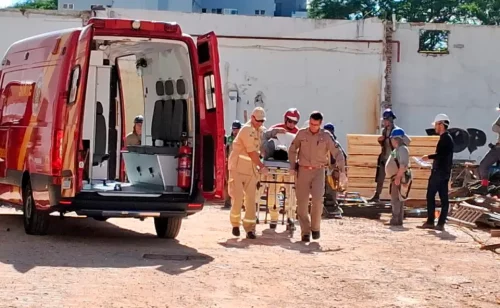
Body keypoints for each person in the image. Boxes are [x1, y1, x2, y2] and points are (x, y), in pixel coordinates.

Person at [288, 111, 347, 242]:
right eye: (311, 123)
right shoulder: (302, 134)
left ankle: (315, 228)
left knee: (317, 201)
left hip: (318, 172)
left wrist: (342, 171)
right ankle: (305, 232)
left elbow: (337, 152)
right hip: (303, 171)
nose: (312, 126)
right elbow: (292, 149)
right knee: (302, 203)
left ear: (320, 124)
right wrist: (292, 166)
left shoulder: (326, 136)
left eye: (315, 124)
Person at [228, 107, 270, 239]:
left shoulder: (261, 131)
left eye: (262, 121)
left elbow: (264, 144)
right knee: (238, 197)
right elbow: (252, 152)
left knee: (251, 199)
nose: (260, 123)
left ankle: (250, 229)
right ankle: (235, 224)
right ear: (252, 118)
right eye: (258, 121)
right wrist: (262, 166)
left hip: (251, 169)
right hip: (238, 168)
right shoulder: (246, 130)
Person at [420, 114, 454, 231]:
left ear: (441, 124)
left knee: (431, 196)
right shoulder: (447, 138)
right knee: (443, 198)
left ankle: (431, 221)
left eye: (436, 124)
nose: (435, 127)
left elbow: (441, 155)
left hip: (439, 173)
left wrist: (428, 157)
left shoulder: (445, 139)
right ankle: (440, 223)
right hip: (443, 172)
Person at [369, 109, 397, 202]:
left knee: (393, 179)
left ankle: (394, 197)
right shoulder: (384, 131)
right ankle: (377, 195)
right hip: (384, 157)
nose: (384, 122)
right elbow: (384, 144)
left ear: (390, 120)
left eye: (385, 120)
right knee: (380, 176)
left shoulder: (396, 131)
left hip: (393, 159)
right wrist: (381, 140)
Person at [385, 128, 411, 226]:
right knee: (397, 198)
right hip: (396, 176)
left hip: (398, 177)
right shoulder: (398, 149)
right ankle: (398, 219)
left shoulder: (402, 149)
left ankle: (395, 219)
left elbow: (403, 165)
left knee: (396, 199)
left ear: (395, 139)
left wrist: (398, 177)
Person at [323, 123, 347, 218]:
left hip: (333, 169)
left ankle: (331, 206)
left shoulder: (335, 144)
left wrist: (340, 170)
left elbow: (342, 157)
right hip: (322, 168)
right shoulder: (320, 143)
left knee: (331, 188)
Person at [478, 106, 500, 194]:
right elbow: (494, 127)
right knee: (484, 165)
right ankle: (484, 187)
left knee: (484, 165)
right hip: (498, 148)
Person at [224, 120, 242, 208]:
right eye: (233, 129)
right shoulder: (229, 139)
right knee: (229, 182)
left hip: (240, 163)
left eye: (236, 129)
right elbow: (225, 150)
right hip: (230, 163)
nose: (235, 131)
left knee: (240, 183)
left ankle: (241, 202)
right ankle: (227, 201)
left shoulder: (243, 138)